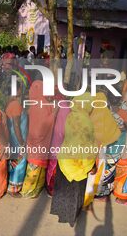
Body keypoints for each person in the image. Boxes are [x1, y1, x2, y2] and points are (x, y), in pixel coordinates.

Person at [51, 93, 96, 227]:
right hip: (78, 162)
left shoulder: (71, 116)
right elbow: (87, 144)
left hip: (65, 158)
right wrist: (91, 164)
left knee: (63, 188)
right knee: (74, 190)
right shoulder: (87, 121)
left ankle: (61, 213)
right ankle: (70, 217)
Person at [95, 87, 127, 200]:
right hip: (115, 147)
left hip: (101, 144)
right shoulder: (122, 111)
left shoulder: (101, 108)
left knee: (100, 167)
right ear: (120, 98)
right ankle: (102, 194)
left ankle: (96, 191)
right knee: (110, 169)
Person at [20, 80, 56, 198]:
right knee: (35, 169)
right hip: (39, 141)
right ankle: (28, 191)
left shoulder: (34, 103)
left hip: (33, 141)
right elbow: (45, 124)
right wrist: (54, 113)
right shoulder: (42, 105)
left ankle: (34, 190)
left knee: (35, 167)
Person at [5, 81, 28, 196]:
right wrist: (22, 142)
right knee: (20, 163)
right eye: (20, 88)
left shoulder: (10, 103)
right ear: (17, 90)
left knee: (14, 162)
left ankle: (12, 185)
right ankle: (14, 189)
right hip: (18, 139)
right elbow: (16, 125)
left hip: (13, 138)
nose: (22, 90)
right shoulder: (16, 105)